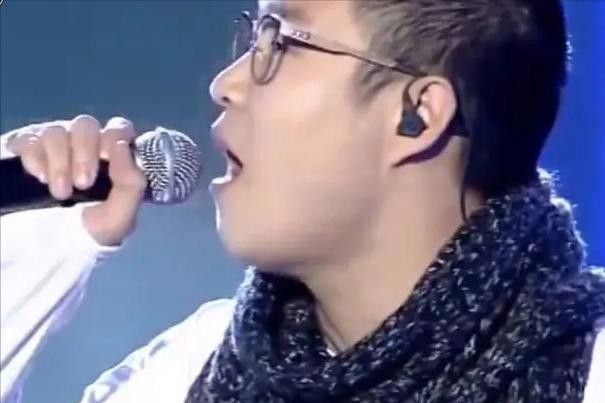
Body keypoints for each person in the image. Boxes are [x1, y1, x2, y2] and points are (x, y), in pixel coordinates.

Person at [1, 0, 604, 402]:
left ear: (417, 115)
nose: (226, 83)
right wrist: (29, 247)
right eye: (253, 37)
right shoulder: (182, 373)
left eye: (282, 42)